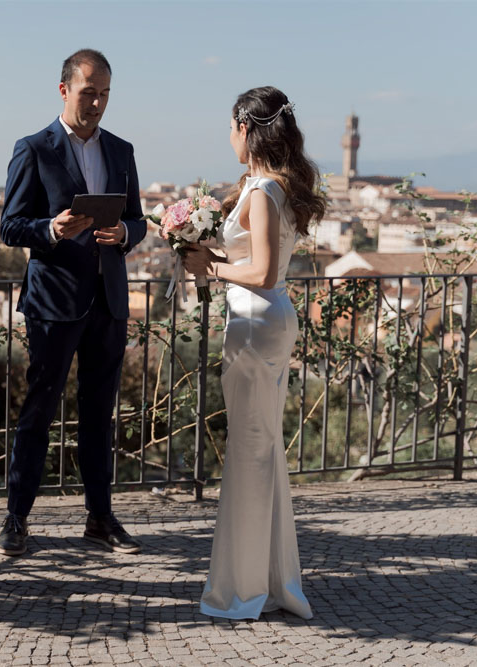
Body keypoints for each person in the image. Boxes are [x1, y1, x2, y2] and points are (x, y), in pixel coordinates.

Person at [0, 49, 147, 557]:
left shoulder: (122, 151)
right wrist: (51, 228)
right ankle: (16, 519)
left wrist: (126, 230)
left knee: (99, 414)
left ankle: (100, 519)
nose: (98, 102)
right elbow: (10, 226)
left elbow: (140, 219)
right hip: (53, 302)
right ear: (64, 90)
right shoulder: (33, 148)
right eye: (89, 92)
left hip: (108, 301)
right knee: (38, 412)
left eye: (105, 93)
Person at [183, 86, 326, 620]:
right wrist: (208, 251)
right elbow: (260, 260)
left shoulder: (264, 190)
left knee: (249, 454)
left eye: (230, 127)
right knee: (262, 451)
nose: (228, 137)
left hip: (255, 322)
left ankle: (243, 590)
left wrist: (209, 269)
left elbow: (262, 272)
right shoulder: (272, 187)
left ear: (247, 128)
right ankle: (274, 580)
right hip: (268, 322)